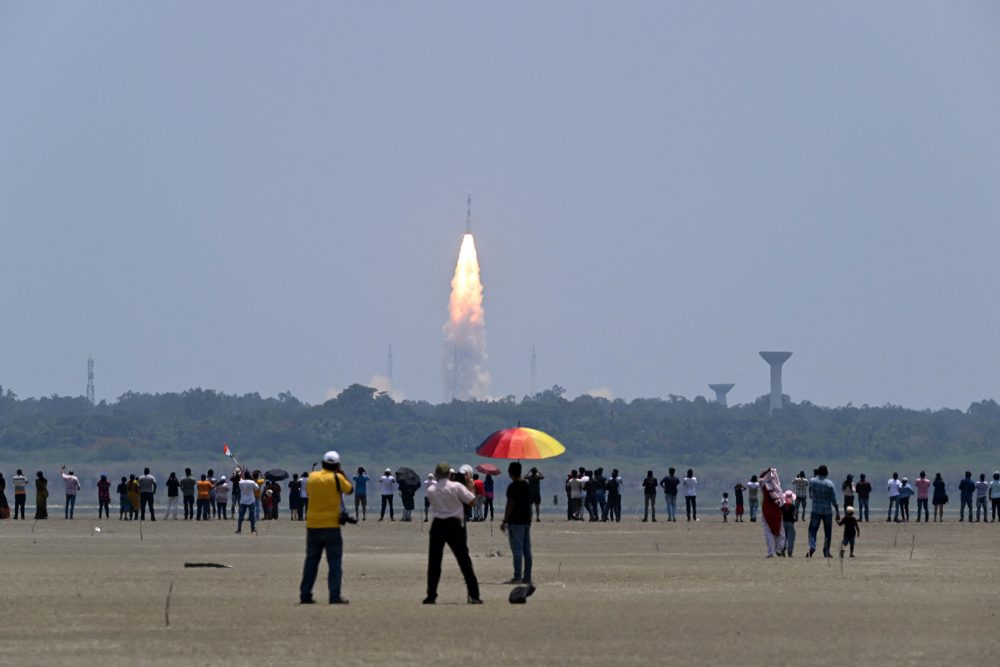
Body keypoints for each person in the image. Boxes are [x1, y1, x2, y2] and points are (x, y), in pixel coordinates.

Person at [299, 450, 352, 605]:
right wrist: (341, 473)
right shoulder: (338, 478)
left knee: (311, 561)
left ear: (322, 464)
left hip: (313, 525)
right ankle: (334, 595)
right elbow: (349, 490)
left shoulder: (312, 477)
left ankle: (305, 594)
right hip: (332, 526)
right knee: (334, 562)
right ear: (337, 465)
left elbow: (309, 491)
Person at [424, 461, 481, 604]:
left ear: (437, 475)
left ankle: (431, 595)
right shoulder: (456, 487)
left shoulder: (431, 490)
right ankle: (474, 595)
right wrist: (468, 486)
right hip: (455, 525)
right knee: (464, 560)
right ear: (449, 474)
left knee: (434, 561)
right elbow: (472, 501)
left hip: (438, 525)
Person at [502, 461, 533, 585]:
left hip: (515, 522)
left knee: (517, 550)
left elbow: (510, 504)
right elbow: (529, 503)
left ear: (510, 472)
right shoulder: (526, 485)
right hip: (526, 521)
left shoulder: (512, 487)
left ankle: (517, 576)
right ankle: (527, 576)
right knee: (527, 550)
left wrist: (505, 520)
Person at [807, 465, 839, 558]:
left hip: (815, 510)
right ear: (826, 473)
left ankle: (812, 546)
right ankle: (826, 551)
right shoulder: (829, 484)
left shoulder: (812, 481)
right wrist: (837, 511)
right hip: (827, 511)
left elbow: (810, 490)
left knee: (812, 530)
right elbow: (834, 500)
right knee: (828, 532)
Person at [759, 467, 787, 557]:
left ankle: (771, 551)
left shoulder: (764, 485)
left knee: (768, 531)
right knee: (778, 529)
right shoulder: (777, 488)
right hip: (777, 510)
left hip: (767, 510)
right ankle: (779, 549)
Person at [781, 490, 798, 556]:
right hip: (790, 523)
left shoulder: (783, 505)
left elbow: (780, 513)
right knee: (791, 538)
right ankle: (790, 552)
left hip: (784, 522)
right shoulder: (792, 506)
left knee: (784, 537)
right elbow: (795, 514)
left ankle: (782, 549)